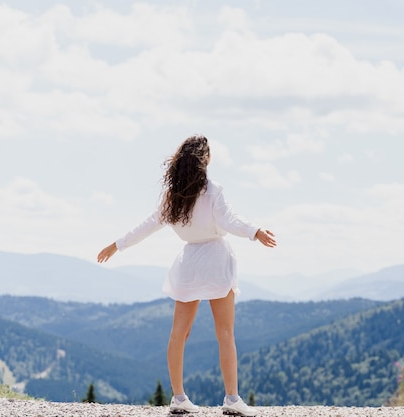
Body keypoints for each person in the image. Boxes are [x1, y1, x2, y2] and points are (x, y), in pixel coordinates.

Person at [97, 135, 276, 416]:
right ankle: (231, 399)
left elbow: (146, 226)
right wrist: (255, 231)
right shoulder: (213, 190)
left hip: (189, 263)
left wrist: (117, 245)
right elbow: (230, 220)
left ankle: (178, 398)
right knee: (225, 333)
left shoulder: (173, 195)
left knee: (178, 334)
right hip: (216, 261)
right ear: (205, 159)